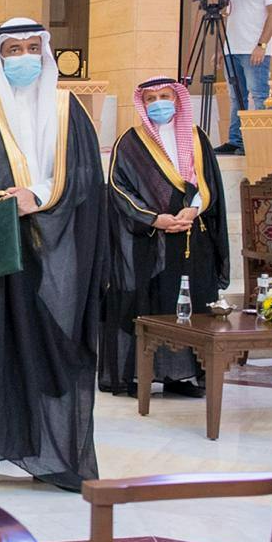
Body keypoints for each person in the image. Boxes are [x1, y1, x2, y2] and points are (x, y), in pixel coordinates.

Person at [0, 18, 105, 492]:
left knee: (48, 355)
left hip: (53, 258)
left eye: (34, 47)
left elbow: (87, 178)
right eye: (14, 49)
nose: (24, 57)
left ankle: (52, 458)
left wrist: (40, 195)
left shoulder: (69, 109)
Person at [101, 78, 228, 397]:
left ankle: (183, 376)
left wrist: (193, 210)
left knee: (192, 305)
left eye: (165, 96)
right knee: (153, 306)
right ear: (143, 104)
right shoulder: (130, 142)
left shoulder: (197, 137)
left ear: (177, 99)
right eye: (151, 98)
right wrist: (154, 218)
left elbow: (210, 183)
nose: (159, 103)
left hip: (192, 235)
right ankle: (140, 376)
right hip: (149, 241)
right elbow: (118, 188)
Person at [216, 0, 272, 155]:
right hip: (232, 49)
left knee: (259, 96)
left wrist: (261, 45)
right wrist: (222, 48)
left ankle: (260, 142)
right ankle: (236, 141)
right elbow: (231, 17)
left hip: (254, 50)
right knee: (236, 97)